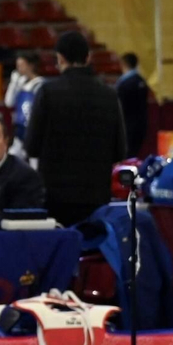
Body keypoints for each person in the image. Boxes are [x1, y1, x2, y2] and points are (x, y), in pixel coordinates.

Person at [26, 31, 126, 227]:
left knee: (61, 252)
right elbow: (120, 150)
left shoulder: (47, 92)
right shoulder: (109, 94)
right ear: (88, 57)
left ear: (60, 58)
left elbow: (31, 147)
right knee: (92, 252)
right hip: (97, 195)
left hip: (55, 196)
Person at [4, 50, 44, 158]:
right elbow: (8, 103)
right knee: (12, 158)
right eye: (17, 65)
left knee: (33, 160)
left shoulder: (40, 84)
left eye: (21, 65)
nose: (19, 68)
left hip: (33, 129)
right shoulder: (20, 83)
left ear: (31, 66)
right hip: (19, 129)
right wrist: (13, 82)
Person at [114, 51, 151, 157]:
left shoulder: (124, 84)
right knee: (134, 153)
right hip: (141, 125)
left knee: (126, 155)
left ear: (123, 63)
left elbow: (120, 107)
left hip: (127, 126)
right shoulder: (141, 81)